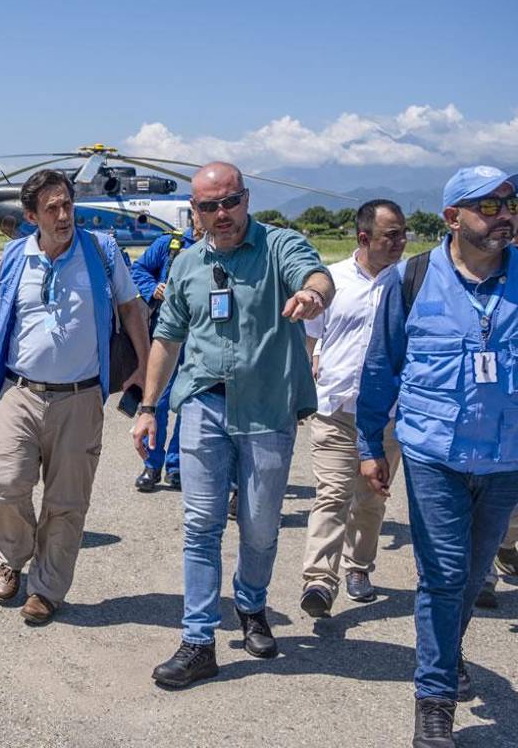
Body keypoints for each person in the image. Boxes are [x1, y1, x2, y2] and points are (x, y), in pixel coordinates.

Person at [130, 161, 334, 687]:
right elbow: (167, 338)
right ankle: (198, 640)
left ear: (246, 198)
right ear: (194, 210)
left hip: (267, 408)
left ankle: (251, 604)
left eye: (230, 201)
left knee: (260, 525)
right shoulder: (186, 264)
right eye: (209, 206)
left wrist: (312, 294)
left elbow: (315, 275)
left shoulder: (277, 246)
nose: (221, 213)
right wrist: (148, 408)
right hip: (203, 404)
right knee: (201, 524)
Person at [356, 166, 518, 747]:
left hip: (506, 460)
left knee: (472, 576)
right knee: (444, 577)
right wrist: (369, 445)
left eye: (510, 203)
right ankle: (435, 701)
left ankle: (446, 652)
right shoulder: (412, 279)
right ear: (453, 217)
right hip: (433, 455)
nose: (504, 215)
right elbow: (380, 367)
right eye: (488, 206)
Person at [0, 168, 150, 626]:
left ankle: (46, 589)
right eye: (51, 208)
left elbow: (131, 309)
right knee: (4, 483)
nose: (63, 215)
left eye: (67, 204)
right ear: (32, 216)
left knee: (67, 500)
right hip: (21, 391)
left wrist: (145, 368)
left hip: (80, 395)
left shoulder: (101, 250)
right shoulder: (16, 255)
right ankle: (13, 556)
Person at [298, 200, 406, 618]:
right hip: (336, 410)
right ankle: (319, 580)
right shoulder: (333, 281)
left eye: (403, 234)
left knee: (371, 498)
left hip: (387, 416)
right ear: (364, 238)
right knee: (332, 494)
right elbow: (312, 337)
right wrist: (307, 379)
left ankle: (358, 566)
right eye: (391, 235)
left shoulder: (408, 284)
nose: (400, 242)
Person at [130, 222, 203, 491]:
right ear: (193, 211)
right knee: (157, 399)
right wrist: (153, 288)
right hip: (167, 334)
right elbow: (138, 269)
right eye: (202, 209)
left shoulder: (221, 247)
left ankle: (177, 466)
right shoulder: (170, 244)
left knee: (189, 401)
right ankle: (151, 465)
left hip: (201, 337)